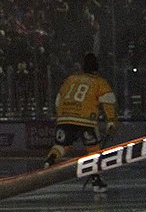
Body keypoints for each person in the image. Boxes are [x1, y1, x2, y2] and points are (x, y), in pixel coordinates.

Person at [46, 53, 118, 194]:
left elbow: (58, 100)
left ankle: (50, 160)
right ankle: (96, 179)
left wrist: (61, 117)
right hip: (86, 120)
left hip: (65, 118)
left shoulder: (70, 79)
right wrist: (111, 121)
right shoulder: (99, 82)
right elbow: (109, 101)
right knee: (93, 149)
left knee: (61, 146)